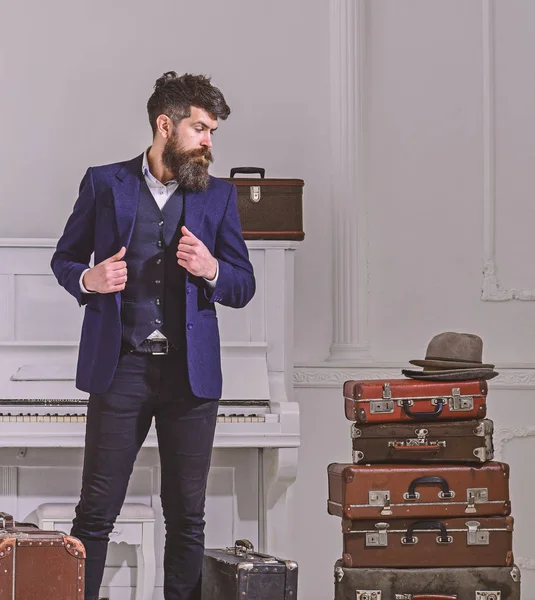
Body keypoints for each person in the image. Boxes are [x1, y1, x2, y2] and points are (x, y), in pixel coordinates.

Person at [51, 71, 256, 600]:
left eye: (213, 131)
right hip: (120, 369)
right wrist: (86, 280)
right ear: (165, 125)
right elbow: (65, 256)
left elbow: (243, 284)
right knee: (96, 511)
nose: (209, 141)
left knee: (187, 516)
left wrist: (212, 268)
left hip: (190, 379)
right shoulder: (104, 182)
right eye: (200, 129)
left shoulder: (220, 197)